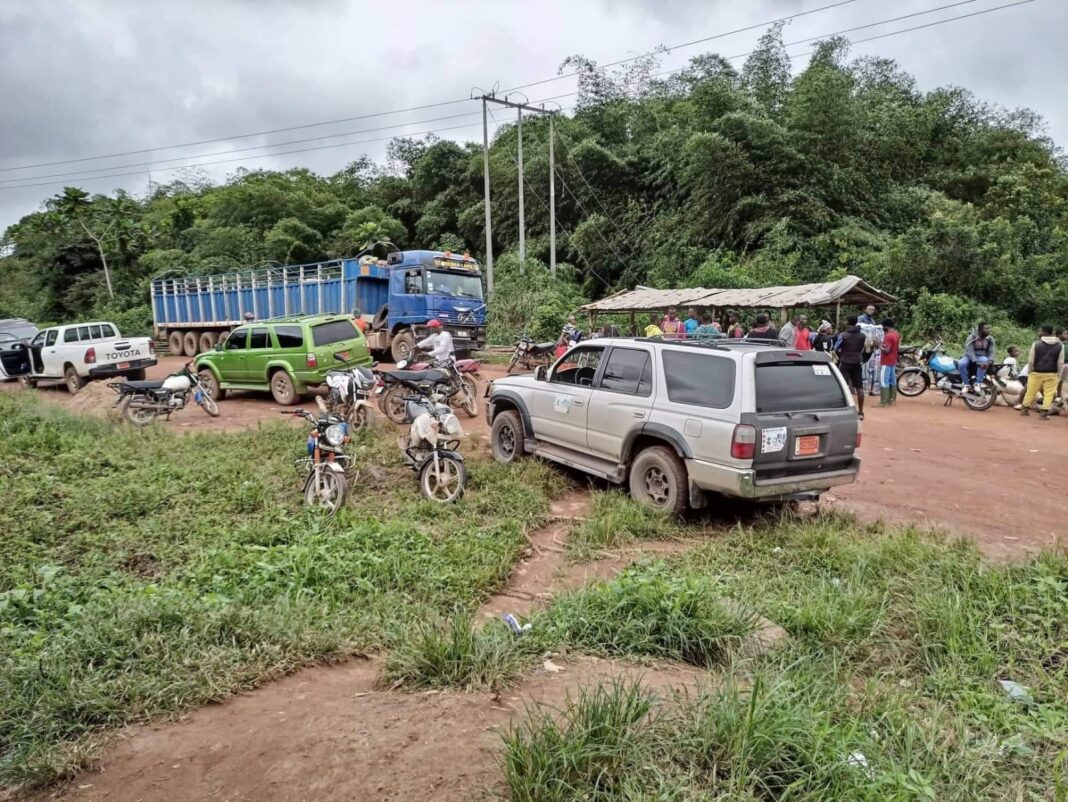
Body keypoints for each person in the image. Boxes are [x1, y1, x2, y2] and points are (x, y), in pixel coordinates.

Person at [1017, 325, 1065, 418]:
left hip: (1036, 372)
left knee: (1031, 391)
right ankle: (1043, 414)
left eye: (1040, 331)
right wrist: (1059, 373)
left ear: (1045, 332)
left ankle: (1024, 410)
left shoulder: (1036, 344)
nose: (1039, 333)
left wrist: (1030, 370)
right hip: (1052, 373)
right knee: (1049, 393)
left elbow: (1031, 360)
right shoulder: (1060, 345)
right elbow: (1060, 362)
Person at [835, 315, 867, 420]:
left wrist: (841, 356)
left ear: (847, 322)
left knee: (843, 386)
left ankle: (844, 410)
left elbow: (836, 348)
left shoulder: (843, 335)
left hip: (845, 362)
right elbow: (863, 349)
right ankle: (861, 412)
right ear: (856, 322)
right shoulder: (862, 335)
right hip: (857, 362)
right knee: (859, 388)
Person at [958, 322, 996, 392]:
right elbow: (969, 351)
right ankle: (966, 384)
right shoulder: (972, 337)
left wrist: (990, 360)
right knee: (961, 363)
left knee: (984, 360)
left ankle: (978, 383)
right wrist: (975, 361)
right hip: (969, 356)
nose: (989, 330)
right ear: (980, 330)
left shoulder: (990, 339)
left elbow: (992, 351)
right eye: (986, 328)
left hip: (981, 356)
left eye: (989, 328)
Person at [879, 318, 900, 407]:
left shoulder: (888, 336)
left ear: (886, 326)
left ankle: (884, 402)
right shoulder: (896, 334)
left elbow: (886, 350)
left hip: (886, 360)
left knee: (884, 380)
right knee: (892, 380)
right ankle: (892, 399)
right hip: (893, 360)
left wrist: (878, 345)